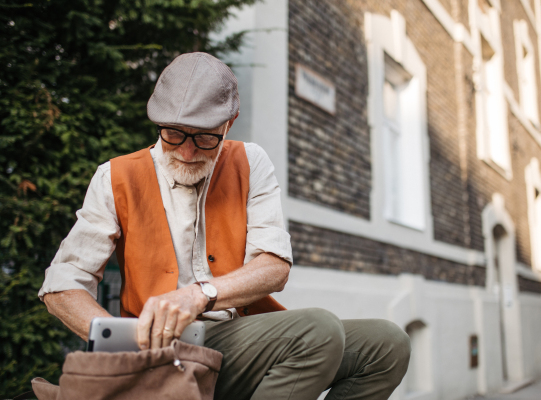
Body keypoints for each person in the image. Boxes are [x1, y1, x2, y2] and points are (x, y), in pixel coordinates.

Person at [40, 52, 411, 399]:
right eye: (173, 133)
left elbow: (273, 266)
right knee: (319, 329)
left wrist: (199, 294)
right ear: (158, 121)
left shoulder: (251, 161)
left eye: (204, 137)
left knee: (387, 344)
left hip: (238, 336)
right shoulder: (115, 176)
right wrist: (123, 342)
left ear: (228, 123)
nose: (186, 152)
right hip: (164, 349)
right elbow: (62, 285)